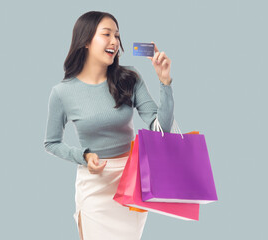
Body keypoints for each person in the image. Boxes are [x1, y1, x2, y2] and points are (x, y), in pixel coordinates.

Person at [43, 11, 175, 240]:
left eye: (117, 35)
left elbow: (161, 129)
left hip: (132, 182)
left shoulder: (129, 79)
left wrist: (165, 82)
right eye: (106, 34)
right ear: (85, 41)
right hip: (94, 185)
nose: (114, 42)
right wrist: (83, 156)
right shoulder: (62, 92)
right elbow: (51, 143)